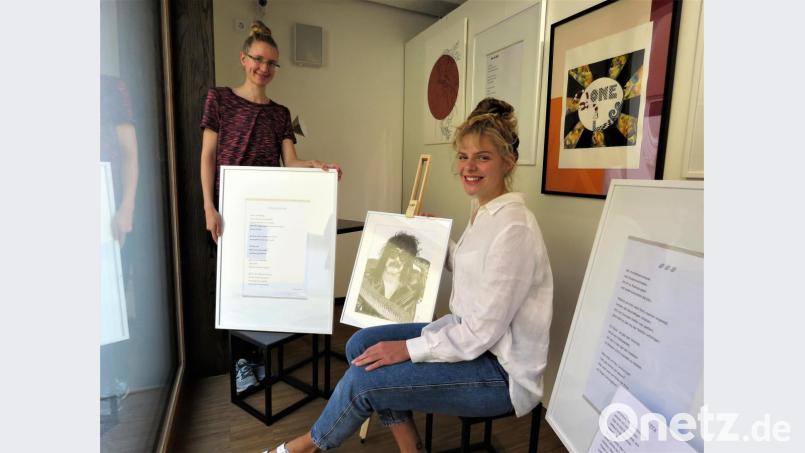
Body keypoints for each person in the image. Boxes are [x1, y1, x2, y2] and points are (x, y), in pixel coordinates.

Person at [266, 98, 553, 453]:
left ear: (508, 161)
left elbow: (480, 333)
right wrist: (439, 242)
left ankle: (302, 447)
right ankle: (411, 448)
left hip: (499, 372)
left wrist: (406, 349)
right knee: (361, 344)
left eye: (483, 157)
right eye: (463, 156)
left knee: (364, 380)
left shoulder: (514, 227)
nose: (469, 166)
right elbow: (475, 270)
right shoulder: (485, 211)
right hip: (471, 341)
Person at [200, 20, 342, 244]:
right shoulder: (219, 99)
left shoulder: (280, 113)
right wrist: (209, 206)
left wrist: (315, 164)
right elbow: (208, 155)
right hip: (228, 209)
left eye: (272, 63)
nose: (264, 68)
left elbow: (291, 162)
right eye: (258, 59)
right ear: (243, 58)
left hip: (269, 209)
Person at [356, 232, 429, 323]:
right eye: (393, 253)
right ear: (385, 255)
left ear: (408, 262)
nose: (397, 260)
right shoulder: (366, 278)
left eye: (404, 256)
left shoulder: (409, 293)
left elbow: (406, 323)